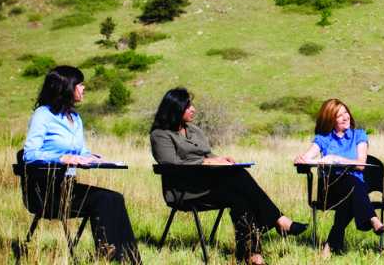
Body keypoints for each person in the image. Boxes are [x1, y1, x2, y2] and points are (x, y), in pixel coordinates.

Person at [149, 88, 305, 265]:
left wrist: (220, 159)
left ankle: (252, 255)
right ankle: (279, 220)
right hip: (184, 190)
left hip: (208, 185)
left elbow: (207, 154)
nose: (193, 109)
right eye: (188, 106)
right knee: (238, 176)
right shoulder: (160, 135)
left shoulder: (193, 130)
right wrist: (206, 163)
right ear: (175, 109)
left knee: (239, 195)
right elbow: (171, 165)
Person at [21, 66, 141, 263]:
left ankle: (130, 259)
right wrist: (62, 158)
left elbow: (81, 152)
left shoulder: (75, 118)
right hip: (45, 192)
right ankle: (109, 257)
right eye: (80, 84)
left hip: (69, 187)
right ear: (66, 87)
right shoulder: (43, 114)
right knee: (103, 200)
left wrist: (92, 157)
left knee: (115, 198)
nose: (84, 88)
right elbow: (30, 154)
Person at [293, 99, 384, 257]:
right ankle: (372, 218)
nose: (345, 117)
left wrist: (338, 159)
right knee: (353, 187)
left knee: (352, 187)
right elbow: (308, 156)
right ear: (331, 120)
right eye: (339, 115)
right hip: (331, 189)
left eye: (346, 112)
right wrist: (301, 159)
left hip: (354, 189)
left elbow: (361, 164)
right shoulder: (324, 139)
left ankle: (329, 245)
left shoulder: (359, 135)